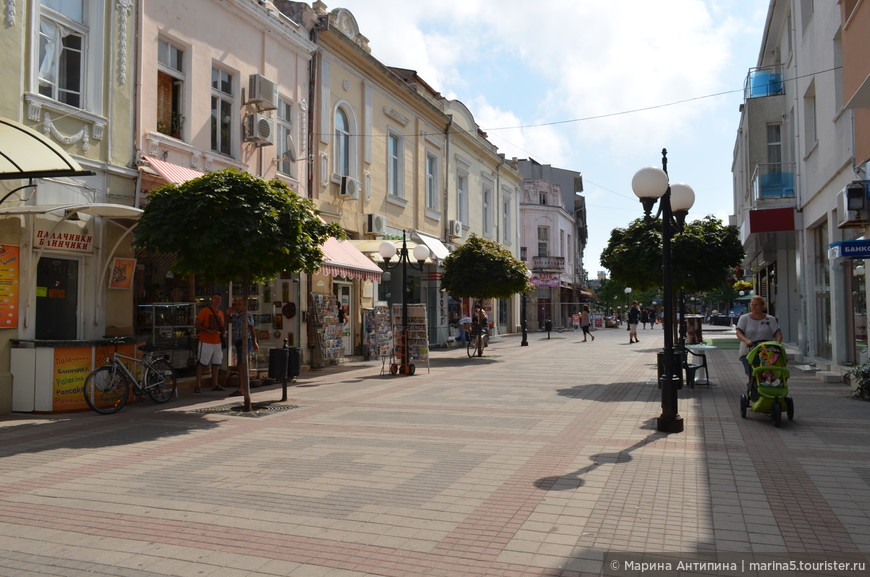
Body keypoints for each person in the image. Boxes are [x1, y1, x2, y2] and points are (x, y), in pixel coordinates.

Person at [735, 295, 782, 387]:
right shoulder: (744, 318)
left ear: (762, 306)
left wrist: (777, 343)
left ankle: (769, 381)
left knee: (767, 369)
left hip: (766, 350)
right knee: (752, 372)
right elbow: (739, 332)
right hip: (749, 350)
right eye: (752, 305)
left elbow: (778, 333)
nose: (753, 307)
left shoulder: (770, 319)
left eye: (756, 305)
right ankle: (753, 387)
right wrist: (746, 340)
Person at [227, 298, 259, 397]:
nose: (237, 306)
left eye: (239, 304)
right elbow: (230, 322)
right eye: (235, 304)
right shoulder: (236, 315)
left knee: (242, 364)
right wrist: (228, 314)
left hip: (246, 341)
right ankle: (242, 387)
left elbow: (251, 328)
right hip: (238, 341)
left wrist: (254, 342)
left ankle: (242, 388)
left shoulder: (247, 314)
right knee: (240, 364)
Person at [194, 294, 226, 393]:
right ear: (212, 300)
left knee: (216, 363)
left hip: (217, 341)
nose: (217, 301)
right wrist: (207, 330)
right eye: (215, 298)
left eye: (219, 299)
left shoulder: (221, 313)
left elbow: (221, 326)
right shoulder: (204, 311)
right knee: (202, 363)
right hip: (206, 341)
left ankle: (215, 384)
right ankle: (198, 385)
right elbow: (197, 324)